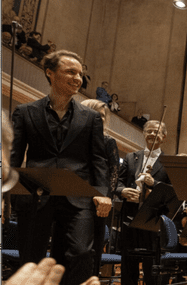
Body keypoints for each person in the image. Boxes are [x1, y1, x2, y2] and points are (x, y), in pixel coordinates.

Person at [10, 50, 112, 285]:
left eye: (80, 73)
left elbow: (98, 159)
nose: (78, 78)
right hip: (37, 194)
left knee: (81, 253)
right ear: (50, 73)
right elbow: (14, 156)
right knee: (30, 260)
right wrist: (11, 190)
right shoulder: (25, 112)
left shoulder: (91, 118)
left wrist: (101, 193)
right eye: (70, 72)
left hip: (78, 196)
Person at [115, 120, 171, 285]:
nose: (153, 134)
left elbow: (173, 190)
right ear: (144, 134)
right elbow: (118, 182)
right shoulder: (131, 157)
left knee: (151, 265)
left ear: (164, 137)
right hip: (129, 216)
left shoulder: (169, 161)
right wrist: (122, 191)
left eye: (157, 132)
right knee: (128, 263)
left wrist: (154, 184)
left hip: (153, 218)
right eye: (149, 131)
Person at [79, 99, 119, 277]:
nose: (99, 119)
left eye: (102, 116)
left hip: (98, 203)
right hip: (75, 198)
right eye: (96, 114)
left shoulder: (108, 141)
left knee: (93, 249)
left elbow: (113, 175)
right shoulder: (73, 139)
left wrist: (104, 198)